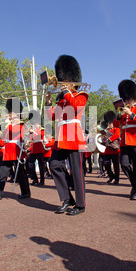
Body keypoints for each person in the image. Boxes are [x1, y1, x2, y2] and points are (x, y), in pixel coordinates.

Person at [45, 55, 88, 215]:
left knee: (77, 172)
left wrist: (66, 93)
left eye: (65, 81)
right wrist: (49, 102)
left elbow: (76, 108)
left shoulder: (80, 95)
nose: (62, 84)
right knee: (54, 165)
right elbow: (51, 117)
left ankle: (80, 204)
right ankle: (66, 198)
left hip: (74, 136)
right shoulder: (62, 100)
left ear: (72, 81)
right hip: (61, 137)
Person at [0, 98, 30, 200]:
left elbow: (14, 131)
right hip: (8, 152)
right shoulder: (8, 125)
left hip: (16, 150)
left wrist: (7, 124)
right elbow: (2, 137)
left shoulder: (21, 124)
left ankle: (26, 192)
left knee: (20, 173)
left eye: (12, 113)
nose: (9, 115)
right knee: (2, 172)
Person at [112, 80, 136, 200]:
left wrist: (131, 114)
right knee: (124, 164)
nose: (127, 101)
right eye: (125, 99)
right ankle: (135, 185)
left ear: (134, 99)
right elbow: (116, 125)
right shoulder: (123, 111)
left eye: (129, 99)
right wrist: (118, 117)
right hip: (125, 142)